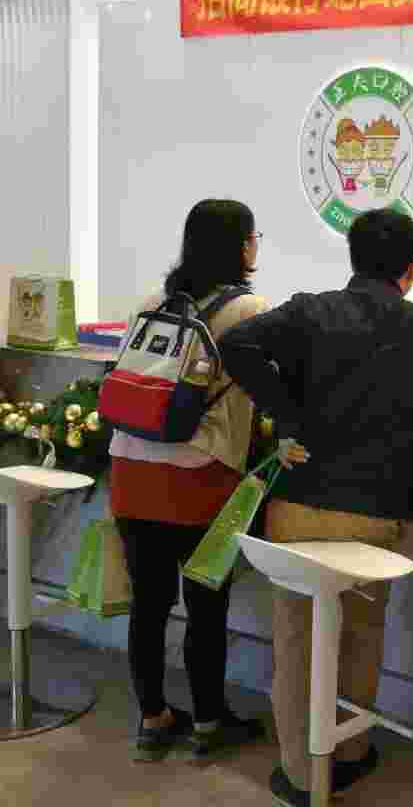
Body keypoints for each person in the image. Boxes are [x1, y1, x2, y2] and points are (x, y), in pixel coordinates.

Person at [219, 208, 413, 807]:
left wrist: (287, 411)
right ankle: (352, 754)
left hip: (299, 503)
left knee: (296, 643)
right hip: (375, 509)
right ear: (411, 270)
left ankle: (300, 774)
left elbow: (234, 344)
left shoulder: (310, 310)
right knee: (361, 635)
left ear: (353, 258)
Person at [108, 198, 270, 761]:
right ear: (243, 246)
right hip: (201, 477)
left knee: (148, 604)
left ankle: (154, 719)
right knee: (206, 607)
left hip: (132, 470)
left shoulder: (151, 302)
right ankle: (207, 721)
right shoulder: (249, 310)